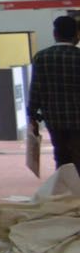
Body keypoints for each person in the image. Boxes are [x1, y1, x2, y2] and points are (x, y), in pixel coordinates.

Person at [26, 14, 80, 173]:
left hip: (54, 119)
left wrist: (32, 116)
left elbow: (36, 89)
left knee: (61, 156)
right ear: (76, 35)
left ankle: (63, 183)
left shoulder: (41, 57)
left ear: (55, 34)